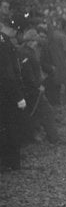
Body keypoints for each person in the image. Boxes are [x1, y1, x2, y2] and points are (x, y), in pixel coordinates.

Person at [1, 17, 28, 172]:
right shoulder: (4, 42)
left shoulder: (5, 41)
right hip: (6, 92)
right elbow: (7, 73)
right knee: (10, 126)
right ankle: (12, 161)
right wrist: (18, 96)